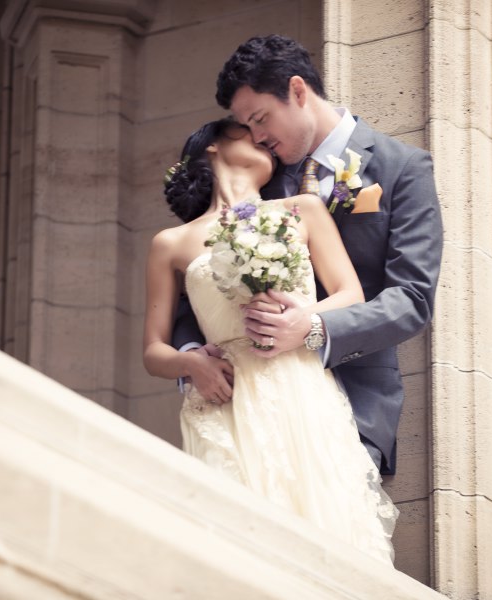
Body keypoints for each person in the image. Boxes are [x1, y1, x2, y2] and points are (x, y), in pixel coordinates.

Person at [176, 35, 443, 475]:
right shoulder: (257, 174)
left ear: (298, 91)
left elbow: (412, 298)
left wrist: (313, 326)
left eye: (261, 118)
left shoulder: (402, 168)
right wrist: (192, 356)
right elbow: (197, 277)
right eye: (246, 126)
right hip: (249, 402)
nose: (257, 137)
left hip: (354, 402)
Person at [143, 118, 397, 563]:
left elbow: (349, 295)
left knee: (326, 527)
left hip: (300, 387)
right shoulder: (171, 243)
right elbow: (153, 350)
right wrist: (192, 365)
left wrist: (300, 320)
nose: (264, 140)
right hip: (226, 401)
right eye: (248, 131)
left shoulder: (302, 209)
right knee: (238, 542)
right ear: (212, 148)